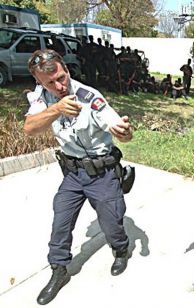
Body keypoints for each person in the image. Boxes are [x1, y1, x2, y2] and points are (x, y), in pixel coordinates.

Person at [23, 49, 134, 305]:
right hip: (73, 174)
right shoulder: (42, 97)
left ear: (67, 70)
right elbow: (29, 128)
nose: (59, 86)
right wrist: (57, 110)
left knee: (112, 222)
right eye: (50, 83)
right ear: (40, 82)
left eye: (61, 78)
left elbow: (119, 129)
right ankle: (59, 270)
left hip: (103, 173)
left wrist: (125, 132)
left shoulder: (89, 96)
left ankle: (120, 249)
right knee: (60, 221)